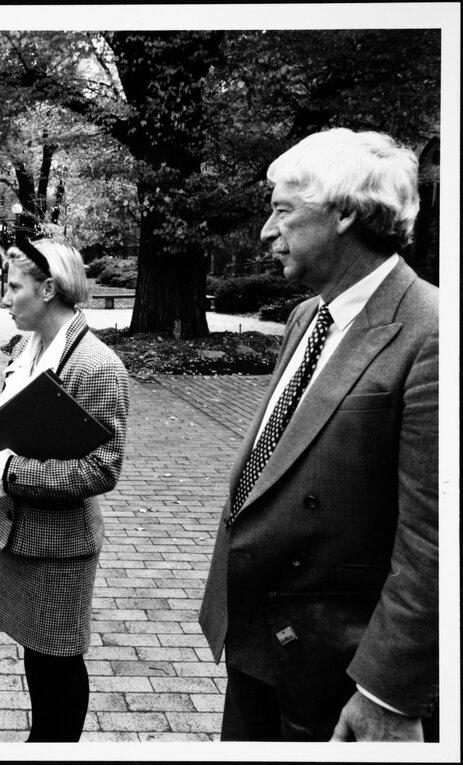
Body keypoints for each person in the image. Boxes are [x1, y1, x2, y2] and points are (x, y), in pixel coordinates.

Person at [199, 128, 439, 742]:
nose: (266, 231)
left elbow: (435, 539)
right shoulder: (309, 315)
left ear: (345, 214)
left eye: (283, 210)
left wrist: (388, 693)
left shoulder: (433, 333)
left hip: (342, 666)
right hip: (260, 634)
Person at [0, 238, 131, 742]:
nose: (4, 298)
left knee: (58, 659)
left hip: (59, 545)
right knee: (38, 655)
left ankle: (53, 747)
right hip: (20, 532)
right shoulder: (29, 347)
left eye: (14, 287)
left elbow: (102, 470)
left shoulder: (97, 366)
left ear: (49, 289)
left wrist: (11, 472)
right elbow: (15, 422)